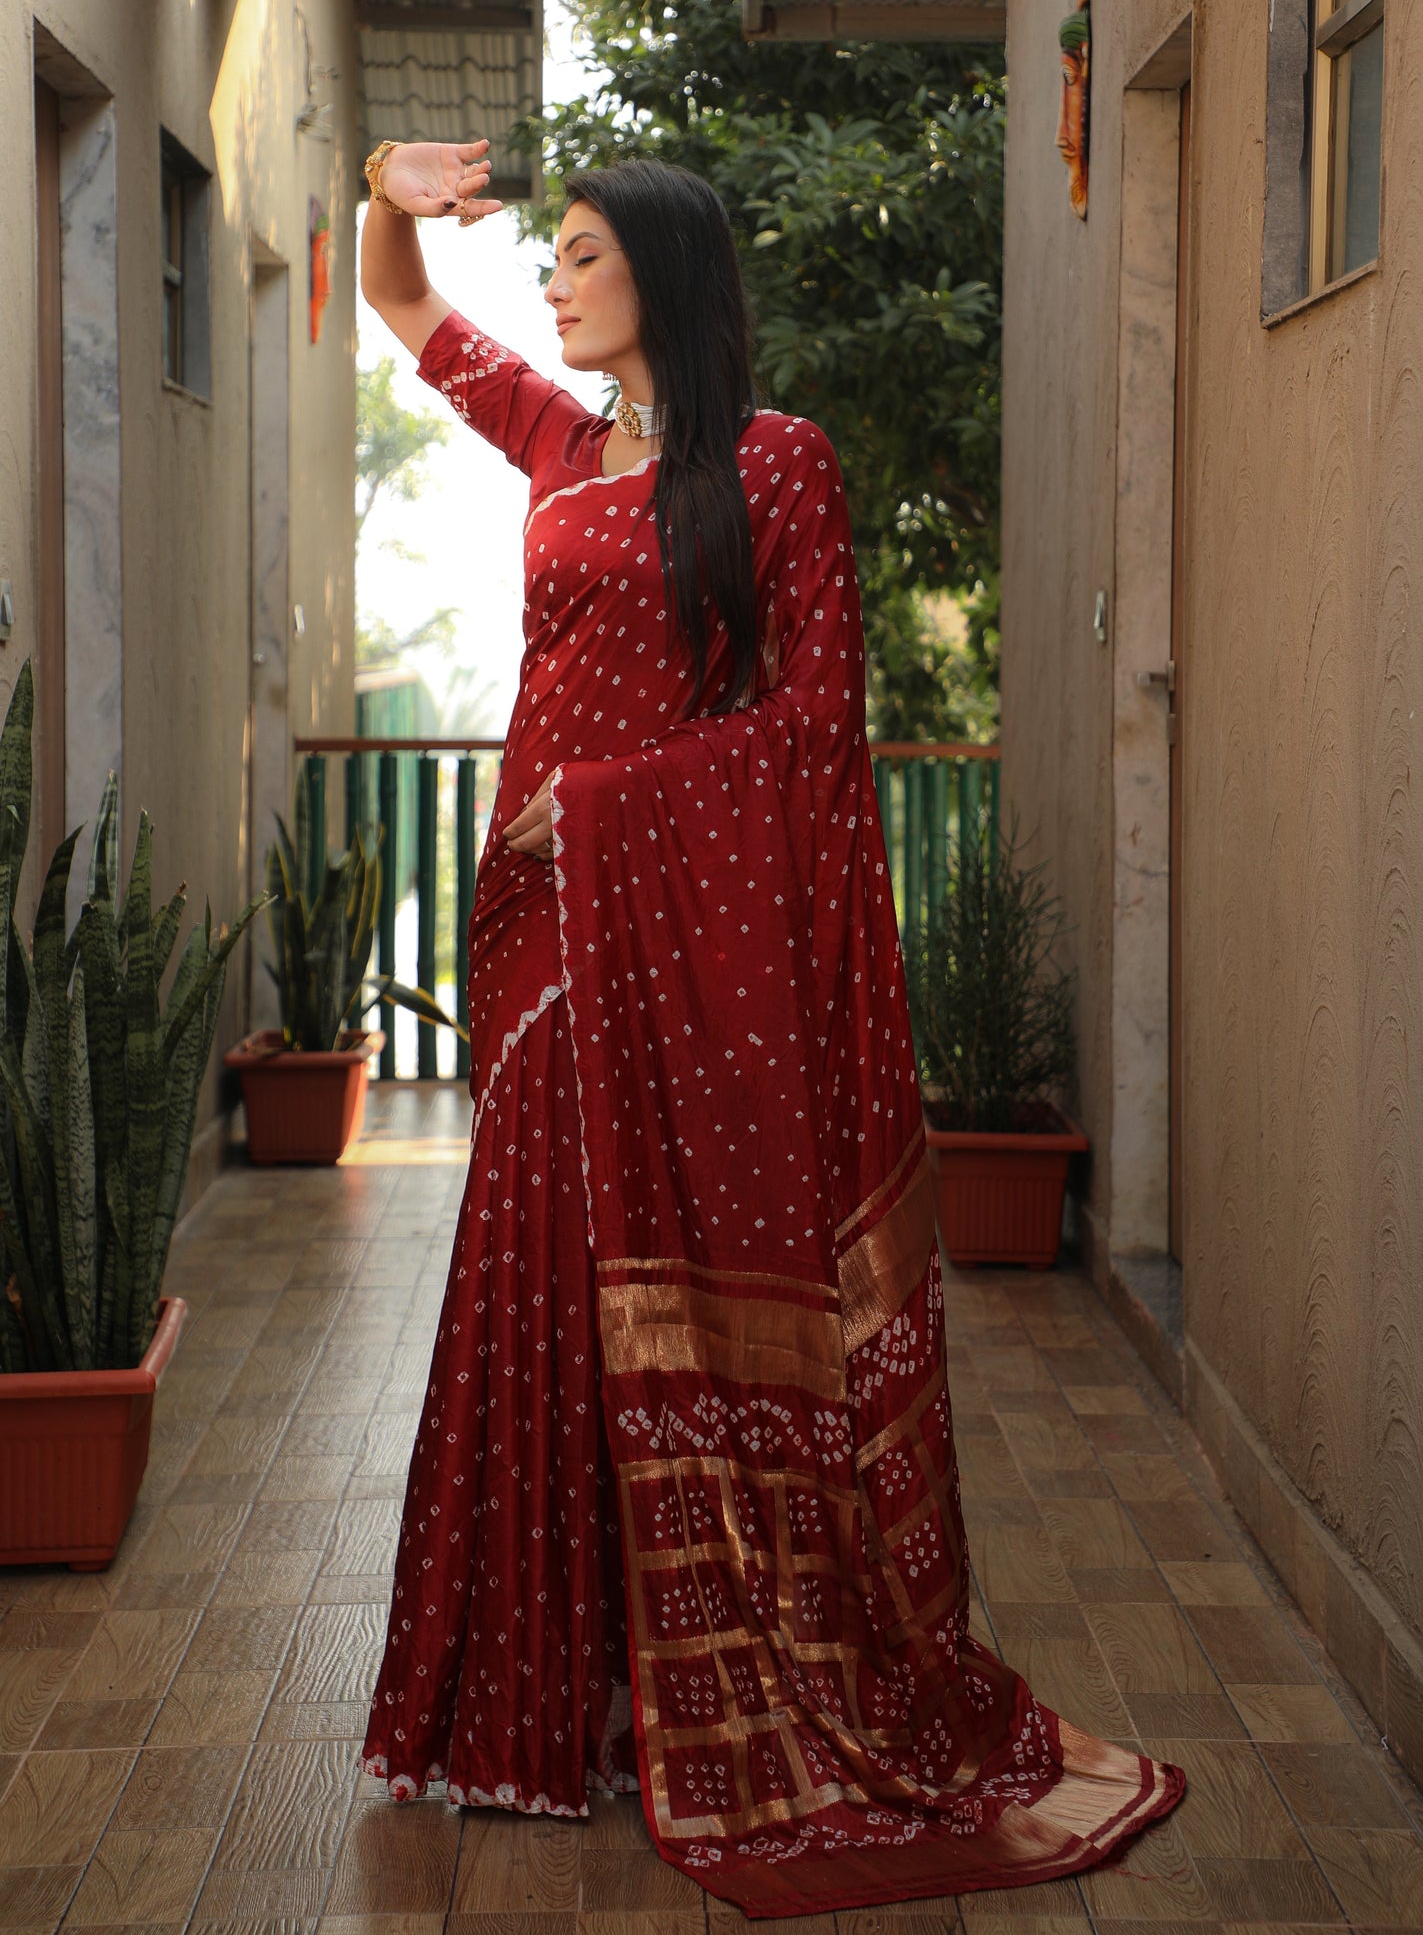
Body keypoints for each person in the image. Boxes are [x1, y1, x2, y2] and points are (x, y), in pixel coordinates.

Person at [357, 139, 1184, 1917]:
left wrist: (613, 811)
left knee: (650, 1298)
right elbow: (398, 297)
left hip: (657, 939)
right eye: (551, 257)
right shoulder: (559, 443)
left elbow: (815, 732)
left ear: (661, 268)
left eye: (580, 257)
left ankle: (713, 1692)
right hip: (538, 956)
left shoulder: (779, 468)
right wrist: (382, 182)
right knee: (537, 1290)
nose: (554, 285)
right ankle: (536, 1698)